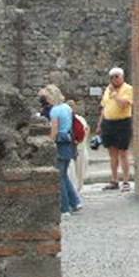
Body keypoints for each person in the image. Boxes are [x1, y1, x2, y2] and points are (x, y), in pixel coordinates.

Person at [38, 84, 83, 215]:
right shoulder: (67, 107)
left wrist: (49, 143)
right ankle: (75, 201)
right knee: (64, 175)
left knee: (60, 177)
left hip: (60, 144)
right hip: (69, 143)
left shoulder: (54, 111)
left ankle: (64, 208)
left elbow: (54, 130)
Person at [97, 66, 133, 191]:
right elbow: (104, 107)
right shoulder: (107, 89)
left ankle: (126, 181)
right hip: (108, 123)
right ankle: (114, 180)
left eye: (117, 76)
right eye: (112, 77)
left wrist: (114, 94)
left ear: (122, 77)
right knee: (112, 154)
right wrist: (99, 124)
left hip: (122, 123)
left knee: (123, 152)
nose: (114, 79)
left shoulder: (128, 89)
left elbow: (124, 104)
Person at [67, 98, 90, 192]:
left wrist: (80, 141)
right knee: (75, 170)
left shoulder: (79, 119)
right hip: (76, 147)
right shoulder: (70, 118)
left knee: (79, 170)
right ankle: (76, 190)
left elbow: (87, 130)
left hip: (79, 147)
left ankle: (78, 189)